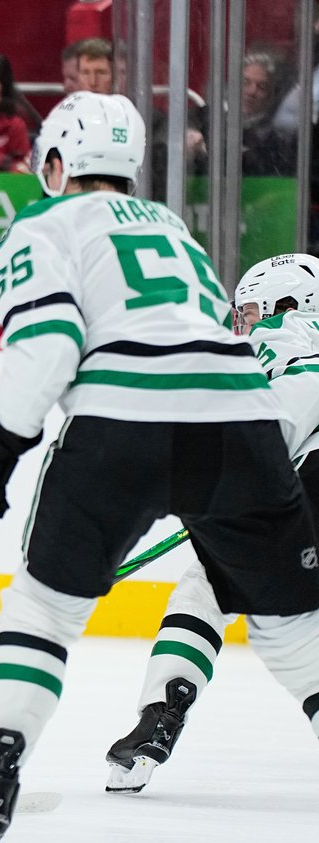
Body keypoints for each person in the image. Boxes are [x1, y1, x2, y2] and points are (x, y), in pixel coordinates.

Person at [0, 92, 319, 843]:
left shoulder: (43, 225)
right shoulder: (175, 230)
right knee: (293, 630)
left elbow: (48, 346)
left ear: (55, 164)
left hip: (122, 419)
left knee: (44, 610)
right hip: (241, 426)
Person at [104, 253, 319, 795]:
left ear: (288, 307)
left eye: (249, 312)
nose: (241, 325)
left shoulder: (292, 351)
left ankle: (161, 712)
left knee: (208, 584)